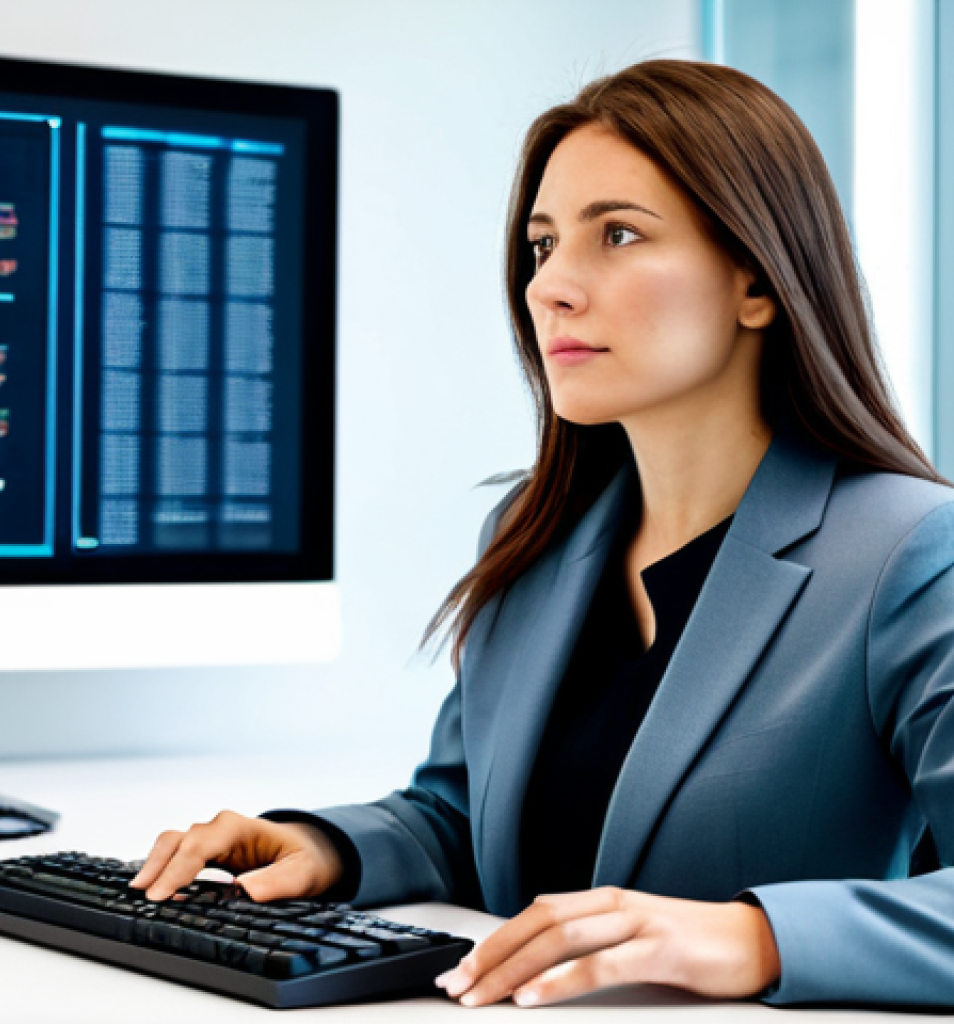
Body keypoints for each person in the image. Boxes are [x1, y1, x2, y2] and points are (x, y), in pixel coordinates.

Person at [131, 59, 954, 1008]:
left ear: (758, 283)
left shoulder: (909, 554)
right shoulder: (533, 535)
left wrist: (754, 937)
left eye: (618, 234)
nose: (550, 286)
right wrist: (328, 846)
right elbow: (463, 817)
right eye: (542, 244)